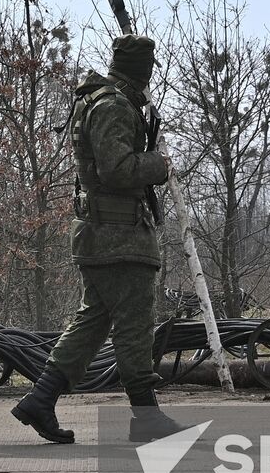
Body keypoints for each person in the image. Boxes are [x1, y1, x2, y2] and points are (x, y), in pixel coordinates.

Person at [12, 34, 175, 444]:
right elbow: (116, 169)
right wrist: (158, 165)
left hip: (103, 235)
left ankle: (40, 399)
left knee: (94, 321)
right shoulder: (114, 105)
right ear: (143, 70)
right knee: (135, 323)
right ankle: (146, 416)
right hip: (117, 237)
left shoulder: (102, 100)